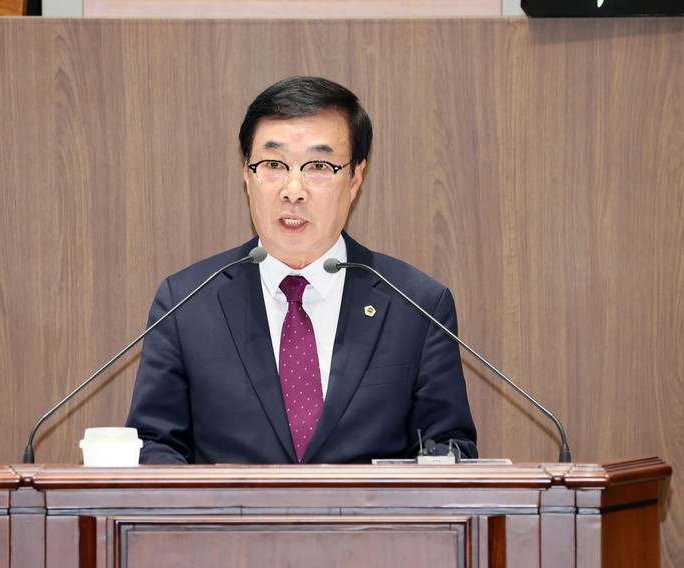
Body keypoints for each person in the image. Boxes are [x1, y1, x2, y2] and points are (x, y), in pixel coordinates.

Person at [125, 76, 477, 464]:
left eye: (319, 166)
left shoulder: (417, 305)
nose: (293, 190)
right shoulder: (186, 304)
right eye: (274, 165)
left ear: (355, 178)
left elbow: (448, 449)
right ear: (247, 174)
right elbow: (153, 445)